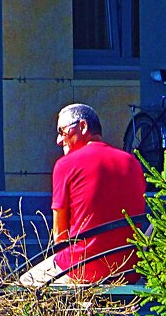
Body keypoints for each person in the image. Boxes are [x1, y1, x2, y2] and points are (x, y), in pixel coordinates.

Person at [19, 103, 147, 286]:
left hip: (81, 269)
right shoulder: (132, 163)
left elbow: (60, 236)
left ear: (83, 127)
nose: (58, 140)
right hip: (127, 270)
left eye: (62, 131)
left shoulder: (66, 165)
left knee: (22, 286)